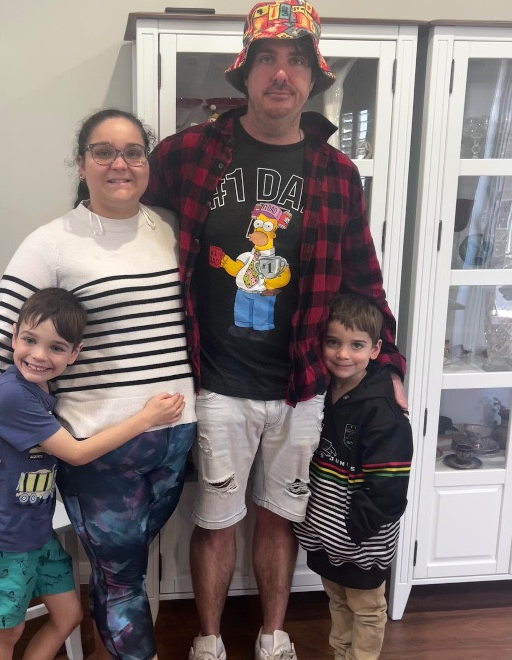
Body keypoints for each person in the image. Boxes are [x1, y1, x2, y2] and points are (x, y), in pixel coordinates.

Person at [141, 1, 408, 658]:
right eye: (267, 58)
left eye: (295, 60)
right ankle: (208, 640)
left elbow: (363, 277)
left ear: (313, 78)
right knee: (214, 520)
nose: (280, 73)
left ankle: (272, 635)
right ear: (245, 72)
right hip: (214, 379)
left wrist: (390, 366)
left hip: (300, 385)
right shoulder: (188, 153)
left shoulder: (336, 174)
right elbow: (130, 222)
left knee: (280, 514)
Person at [0, 109, 197, 660]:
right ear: (81, 164)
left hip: (175, 436)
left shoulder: (169, 230)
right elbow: (2, 334)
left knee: (126, 569)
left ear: (147, 162)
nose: (119, 163)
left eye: (133, 151)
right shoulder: (51, 244)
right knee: (122, 577)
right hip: (99, 447)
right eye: (103, 152)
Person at [0, 287, 185, 660]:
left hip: (36, 534)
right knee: (8, 633)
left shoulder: (41, 390)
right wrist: (146, 418)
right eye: (30, 340)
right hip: (1, 540)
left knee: (68, 616)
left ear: (74, 353)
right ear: (13, 336)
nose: (39, 355)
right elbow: (77, 453)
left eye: (55, 347)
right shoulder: (11, 395)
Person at [294, 294, 413, 659]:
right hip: (327, 537)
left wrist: (356, 531)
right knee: (338, 601)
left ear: (376, 350)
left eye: (356, 345)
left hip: (362, 541)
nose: (343, 354)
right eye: (334, 342)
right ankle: (341, 654)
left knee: (366, 608)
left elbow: (389, 488)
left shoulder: (382, 411)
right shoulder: (321, 393)